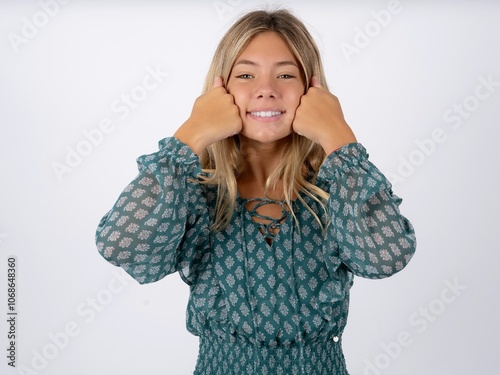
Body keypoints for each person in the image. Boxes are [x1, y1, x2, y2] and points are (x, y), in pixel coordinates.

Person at [95, 8, 416, 375]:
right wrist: (191, 134)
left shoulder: (337, 190)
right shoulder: (194, 193)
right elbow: (119, 244)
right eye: (246, 74)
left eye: (285, 74)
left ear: (313, 91)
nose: (266, 89)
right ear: (220, 90)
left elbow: (385, 258)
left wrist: (339, 140)